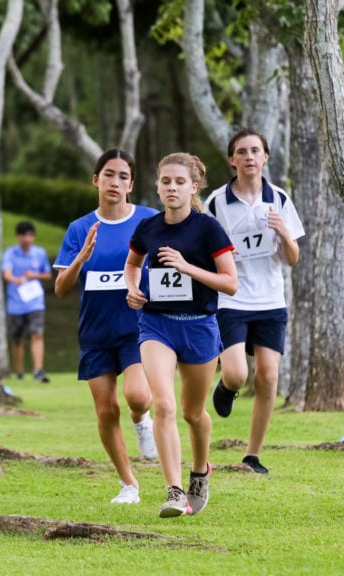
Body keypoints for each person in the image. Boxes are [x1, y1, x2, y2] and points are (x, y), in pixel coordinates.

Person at [125, 152, 237, 518]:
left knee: (193, 413)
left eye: (179, 182)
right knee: (165, 405)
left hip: (200, 326)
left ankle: (201, 471)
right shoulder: (148, 227)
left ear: (193, 187)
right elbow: (132, 264)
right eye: (165, 181)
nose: (171, 188)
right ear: (157, 185)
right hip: (157, 324)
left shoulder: (209, 229)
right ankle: (174, 492)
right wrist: (133, 288)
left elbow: (230, 284)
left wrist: (187, 267)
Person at [53, 149, 160, 505]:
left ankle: (142, 420)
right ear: (96, 180)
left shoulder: (148, 221)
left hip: (138, 327)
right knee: (105, 410)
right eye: (109, 174)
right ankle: (129, 484)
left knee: (137, 396)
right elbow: (61, 289)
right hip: (96, 333)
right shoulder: (79, 228)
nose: (115, 182)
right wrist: (80, 259)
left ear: (131, 185)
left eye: (123, 177)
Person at [205, 129, 305, 475]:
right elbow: (203, 250)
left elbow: (293, 258)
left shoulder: (278, 199)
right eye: (242, 152)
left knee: (268, 377)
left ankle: (252, 455)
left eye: (255, 151)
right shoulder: (216, 202)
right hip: (231, 298)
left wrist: (284, 233)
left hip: (270, 300)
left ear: (265, 158)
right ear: (232, 160)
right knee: (237, 374)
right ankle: (227, 386)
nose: (249, 157)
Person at [2, 220, 53, 382]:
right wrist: (16, 280)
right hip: (16, 302)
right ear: (18, 237)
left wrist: (34, 276)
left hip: (35, 301)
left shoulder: (39, 253)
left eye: (30, 235)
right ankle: (19, 371)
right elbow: (6, 273)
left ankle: (38, 370)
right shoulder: (10, 253)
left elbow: (48, 274)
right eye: (24, 235)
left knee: (37, 333)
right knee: (17, 338)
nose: (27, 239)